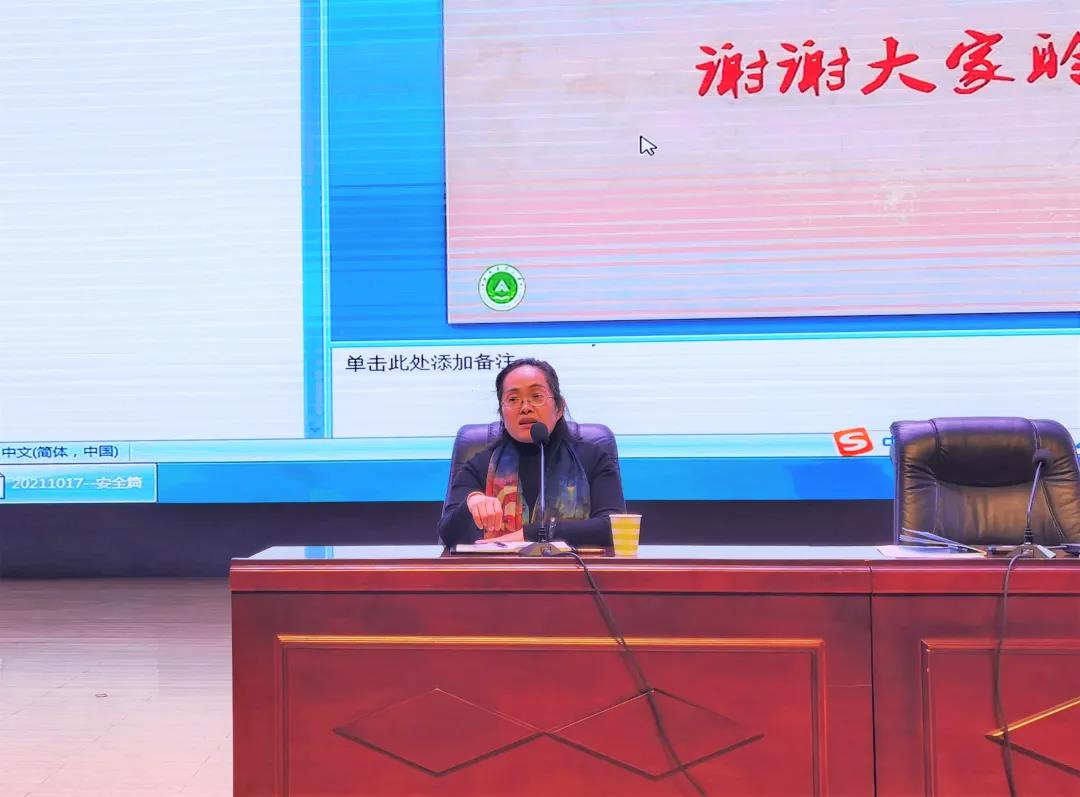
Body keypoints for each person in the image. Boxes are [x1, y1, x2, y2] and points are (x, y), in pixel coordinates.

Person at [437, 358, 625, 547]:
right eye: (513, 399)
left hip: (574, 567)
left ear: (559, 408)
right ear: (502, 413)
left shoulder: (592, 459)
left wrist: (533, 534)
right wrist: (470, 504)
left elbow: (614, 527)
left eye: (536, 396)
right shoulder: (479, 466)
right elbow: (448, 535)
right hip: (498, 567)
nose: (525, 408)